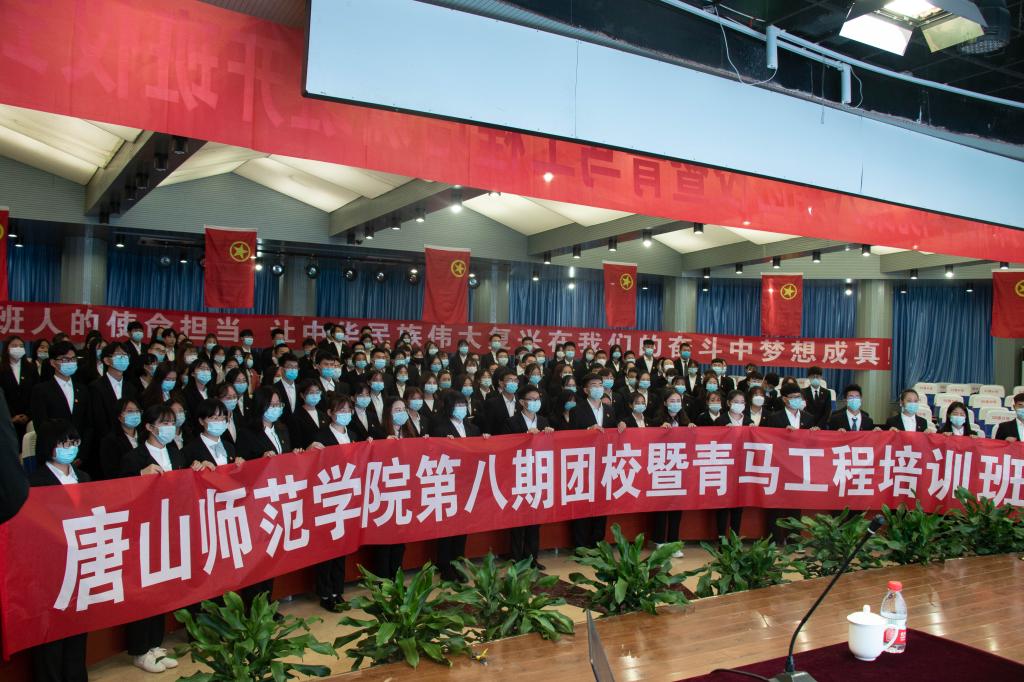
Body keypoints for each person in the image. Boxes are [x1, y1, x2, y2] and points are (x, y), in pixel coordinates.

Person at [121, 404, 190, 673]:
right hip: (143, 532)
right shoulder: (133, 458)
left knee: (162, 588)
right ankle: (140, 649)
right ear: (149, 427)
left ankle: (155, 644)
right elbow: (118, 492)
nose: (169, 427)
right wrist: (139, 477)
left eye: (172, 422)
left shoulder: (176, 452)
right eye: (164, 423)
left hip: (170, 528)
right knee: (144, 591)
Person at [28, 419, 91, 682]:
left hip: (81, 563)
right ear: (49, 446)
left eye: (74, 442)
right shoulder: (34, 481)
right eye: (64, 443)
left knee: (78, 627)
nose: (70, 447)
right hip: (49, 569)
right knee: (50, 635)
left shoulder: (84, 478)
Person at [309, 395, 360, 610]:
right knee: (326, 549)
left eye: (349, 410)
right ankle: (325, 593)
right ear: (330, 413)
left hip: (348, 497)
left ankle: (338, 590)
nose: (345, 414)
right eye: (341, 410)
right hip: (328, 498)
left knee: (342, 547)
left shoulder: (353, 435)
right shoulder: (321, 437)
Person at [431, 393, 486, 580]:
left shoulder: (473, 428)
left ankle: (458, 564)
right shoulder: (440, 429)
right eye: (457, 404)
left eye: (464, 404)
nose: (461, 408)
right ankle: (445, 566)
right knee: (447, 528)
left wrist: (485, 439)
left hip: (467, 483)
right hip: (448, 482)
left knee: (462, 527)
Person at [763, 382, 818, 544]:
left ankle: (794, 538)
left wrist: (814, 433)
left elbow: (813, 443)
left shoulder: (808, 418)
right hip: (779, 465)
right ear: (784, 399)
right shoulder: (774, 417)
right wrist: (782, 434)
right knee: (775, 503)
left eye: (798, 397)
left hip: (798, 466)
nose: (796, 400)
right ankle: (775, 539)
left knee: (795, 503)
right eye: (792, 397)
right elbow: (766, 439)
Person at [503, 386, 550, 567]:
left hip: (537, 475)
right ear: (522, 402)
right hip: (518, 475)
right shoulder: (511, 422)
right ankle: (516, 558)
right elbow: (506, 446)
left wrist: (549, 435)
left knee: (534, 519)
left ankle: (532, 558)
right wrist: (525, 436)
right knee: (518, 520)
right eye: (531, 399)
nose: (535, 402)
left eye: (538, 399)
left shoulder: (544, 421)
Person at [569, 374, 618, 549]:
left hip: (604, 462)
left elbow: (614, 434)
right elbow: (571, 437)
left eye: (600, 384)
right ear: (586, 390)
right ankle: (581, 546)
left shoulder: (609, 409)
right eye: (594, 385)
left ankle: (598, 545)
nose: (598, 388)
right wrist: (588, 431)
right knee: (583, 504)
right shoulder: (577, 410)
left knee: (601, 504)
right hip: (583, 463)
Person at [30, 341, 92, 474]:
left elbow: (89, 424)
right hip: (53, 456)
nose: (70, 362)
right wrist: (59, 452)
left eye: (73, 359)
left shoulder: (83, 389)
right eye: (65, 359)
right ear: (53, 362)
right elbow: (41, 425)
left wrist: (81, 454)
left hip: (80, 456)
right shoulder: (41, 390)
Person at [372, 398, 416, 578]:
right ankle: (383, 579)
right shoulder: (378, 432)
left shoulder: (410, 432)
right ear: (388, 412)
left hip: (405, 490)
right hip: (385, 491)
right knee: (384, 539)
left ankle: (397, 576)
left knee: (400, 538)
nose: (402, 412)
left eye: (403, 409)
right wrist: (383, 444)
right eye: (397, 409)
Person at [89, 343, 139, 451]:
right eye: (119, 355)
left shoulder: (131, 387)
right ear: (107, 360)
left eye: (126, 355)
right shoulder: (96, 387)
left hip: (129, 442)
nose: (124, 358)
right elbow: (98, 420)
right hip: (106, 443)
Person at [181, 399, 242, 468]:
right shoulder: (189, 451)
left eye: (223, 418)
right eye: (214, 418)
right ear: (201, 421)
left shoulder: (229, 447)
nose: (219, 422)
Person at [1, 336, 38, 441]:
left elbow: (36, 392)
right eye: (14, 346)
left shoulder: (31, 368)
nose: (18, 348)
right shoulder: (1, 369)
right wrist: (11, 416)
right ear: (6, 348)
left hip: (29, 419)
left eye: (21, 346)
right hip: (6, 418)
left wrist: (28, 414)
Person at [97, 397, 143, 479]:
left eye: (137, 411)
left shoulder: (144, 436)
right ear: (119, 416)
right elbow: (112, 473)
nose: (135, 414)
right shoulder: (109, 441)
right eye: (130, 411)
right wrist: (140, 473)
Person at [289, 379, 324, 450]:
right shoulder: (296, 416)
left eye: (317, 392)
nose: (315, 395)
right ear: (302, 395)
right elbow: (296, 444)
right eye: (311, 393)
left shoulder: (323, 415)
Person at [482, 371, 519, 436]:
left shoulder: (521, 402)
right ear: (501, 383)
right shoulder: (492, 403)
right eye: (510, 380)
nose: (513, 383)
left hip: (519, 439)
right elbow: (488, 428)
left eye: (515, 381)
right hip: (500, 439)